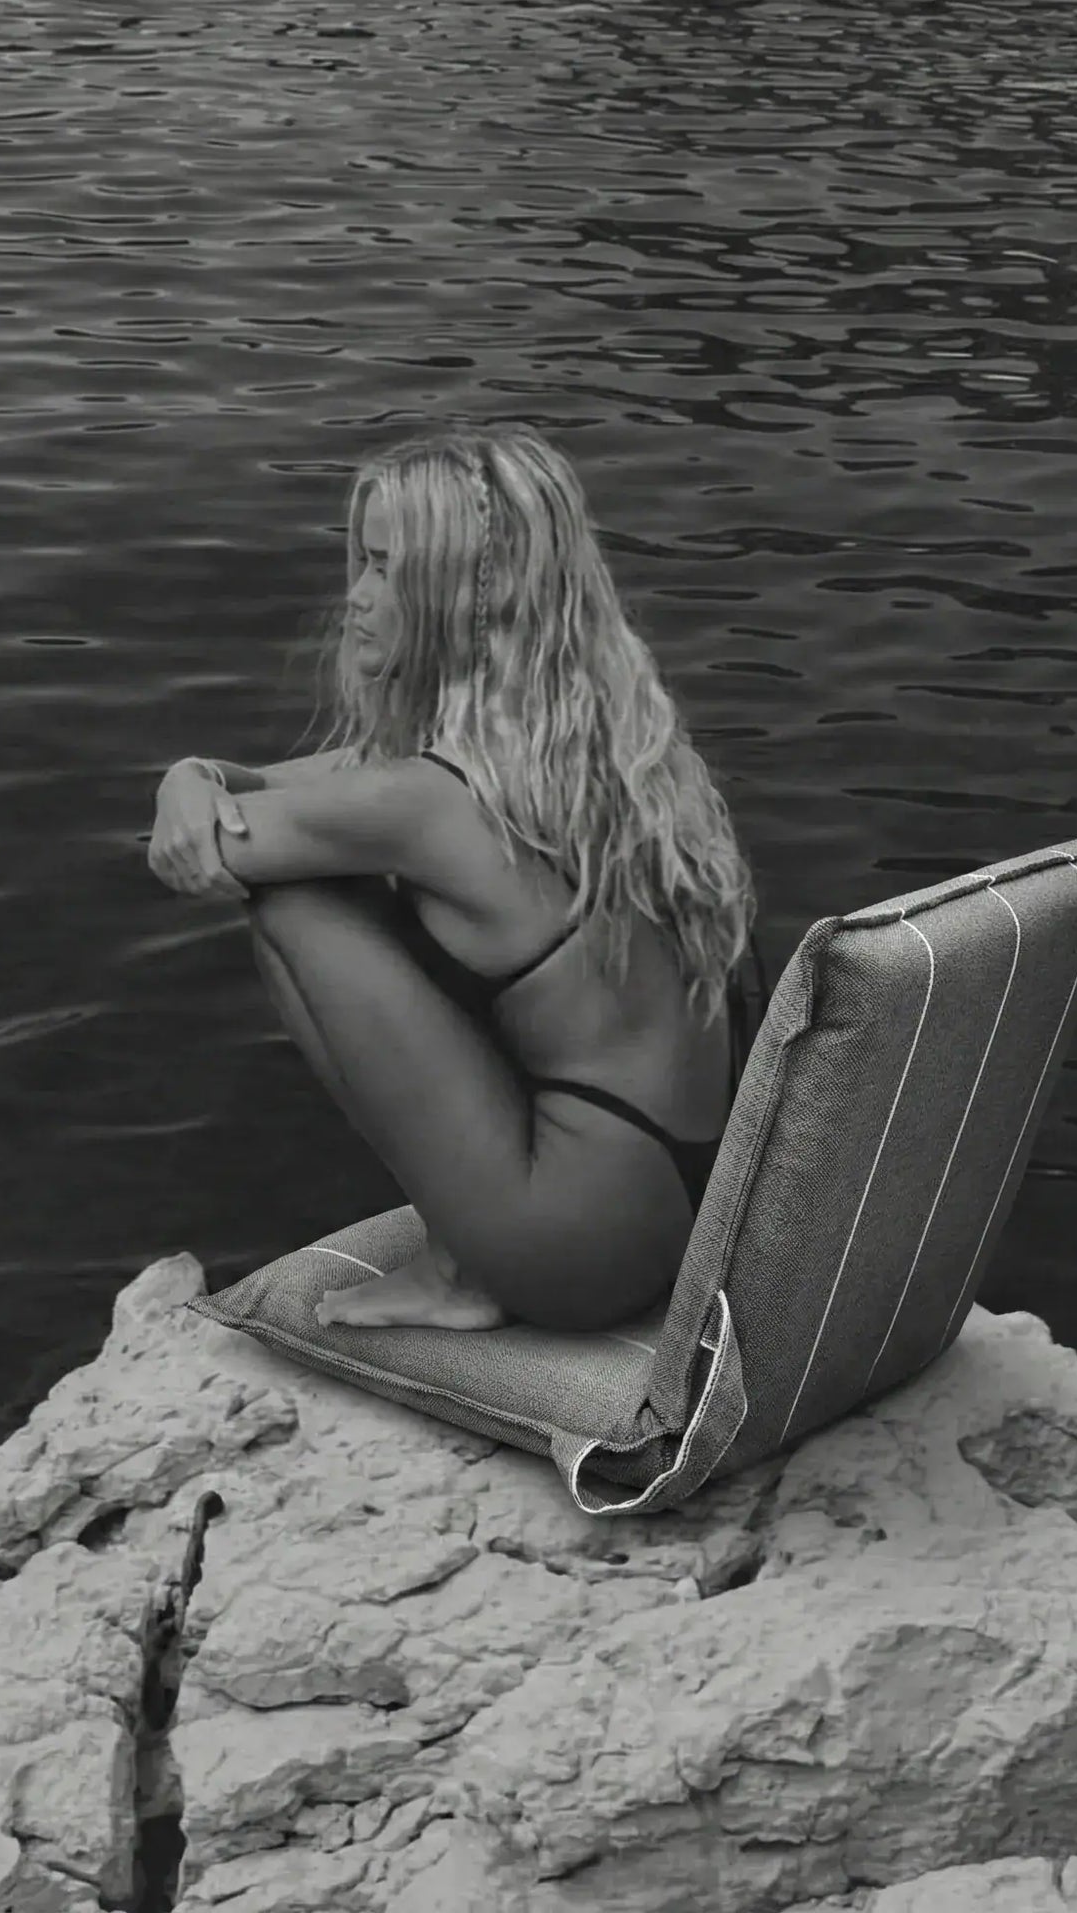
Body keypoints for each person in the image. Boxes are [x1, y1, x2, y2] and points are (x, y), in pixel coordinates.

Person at [148, 423, 764, 1336]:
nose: (356, 598)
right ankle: (471, 1245)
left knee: (295, 898)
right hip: (698, 1205)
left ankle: (457, 1268)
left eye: (388, 570)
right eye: (360, 561)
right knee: (330, 859)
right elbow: (289, 792)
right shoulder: (600, 748)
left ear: (463, 594)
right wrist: (192, 774)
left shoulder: (427, 805)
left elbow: (223, 846)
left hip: (580, 1256)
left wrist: (182, 788)